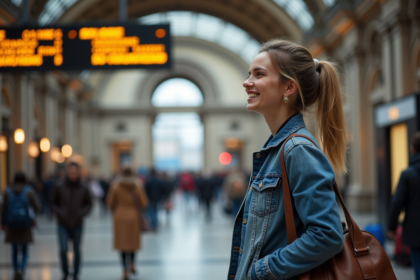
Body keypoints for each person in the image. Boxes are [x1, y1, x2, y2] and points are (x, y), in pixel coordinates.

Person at [227, 39, 346, 280]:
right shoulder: (276, 149)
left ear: (288, 88)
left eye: (258, 74)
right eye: (249, 73)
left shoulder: (298, 149)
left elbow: (327, 235)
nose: (246, 82)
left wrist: (260, 271)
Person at [50, 162, 92, 280]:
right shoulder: (60, 186)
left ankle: (76, 273)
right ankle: (65, 271)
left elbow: (89, 203)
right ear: (67, 173)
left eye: (75, 172)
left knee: (77, 249)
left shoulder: (84, 187)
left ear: (78, 173)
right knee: (63, 249)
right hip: (62, 223)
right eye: (70, 172)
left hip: (78, 223)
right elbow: (52, 201)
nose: (72, 174)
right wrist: (59, 213)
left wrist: (82, 213)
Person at [107, 166, 149, 280]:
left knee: (122, 244)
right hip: (133, 217)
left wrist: (117, 209)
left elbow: (110, 202)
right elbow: (144, 202)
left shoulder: (115, 186)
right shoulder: (137, 186)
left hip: (119, 217)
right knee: (132, 242)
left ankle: (124, 270)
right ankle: (132, 263)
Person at [389, 132, 420, 280]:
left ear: (412, 148)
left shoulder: (407, 174)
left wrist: (392, 227)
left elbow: (397, 202)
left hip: (415, 230)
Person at [0, 172, 40, 280]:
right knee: (24, 251)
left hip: (11, 225)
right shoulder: (29, 191)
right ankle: (21, 269)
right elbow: (37, 207)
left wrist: (3, 223)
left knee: (14, 250)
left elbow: (3, 209)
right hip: (25, 224)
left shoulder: (7, 191)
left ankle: (15, 270)